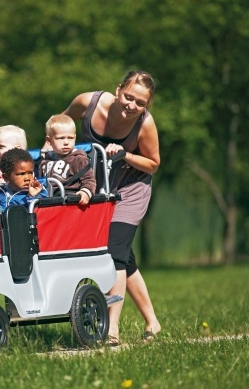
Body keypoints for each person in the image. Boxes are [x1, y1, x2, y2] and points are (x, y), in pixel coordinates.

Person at [62, 70, 162, 345]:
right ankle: (153, 321)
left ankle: (111, 329)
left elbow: (154, 164)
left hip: (131, 189)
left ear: (146, 106)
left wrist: (126, 154)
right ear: (118, 90)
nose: (132, 105)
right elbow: (60, 125)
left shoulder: (145, 124)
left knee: (114, 252)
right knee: (124, 257)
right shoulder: (88, 102)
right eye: (129, 97)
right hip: (98, 187)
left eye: (140, 102)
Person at [38, 114, 96, 205]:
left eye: (70, 138)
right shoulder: (44, 162)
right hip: (49, 203)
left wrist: (86, 192)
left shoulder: (79, 159)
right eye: (60, 138)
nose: (66, 142)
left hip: (71, 202)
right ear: (49, 141)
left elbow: (89, 180)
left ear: (75, 138)